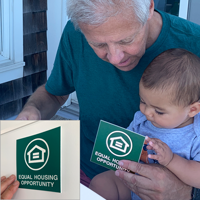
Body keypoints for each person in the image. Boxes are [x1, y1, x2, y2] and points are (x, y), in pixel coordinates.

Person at [15, 0, 200, 199]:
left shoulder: (194, 45)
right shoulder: (76, 33)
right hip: (91, 174)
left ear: (149, 8)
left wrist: (186, 192)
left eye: (127, 40)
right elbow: (55, 93)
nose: (114, 58)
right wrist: (34, 110)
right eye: (99, 44)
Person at [89, 48, 200, 200]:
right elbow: (125, 146)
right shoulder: (142, 119)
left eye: (159, 111)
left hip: (168, 193)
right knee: (101, 182)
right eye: (143, 101)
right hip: (133, 182)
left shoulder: (195, 135)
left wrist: (172, 160)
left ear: (192, 109)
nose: (147, 112)